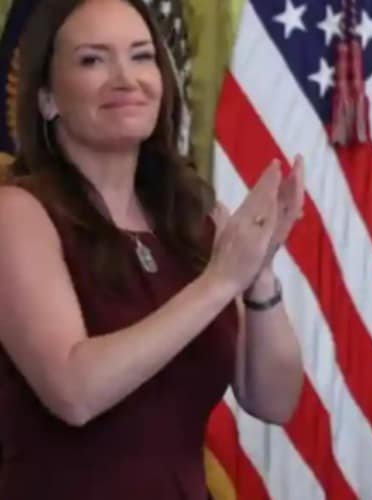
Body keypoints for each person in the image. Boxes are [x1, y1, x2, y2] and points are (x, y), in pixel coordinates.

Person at [0, 0, 305, 498]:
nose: (126, 79)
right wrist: (220, 281)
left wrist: (260, 275)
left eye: (142, 56)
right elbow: (74, 393)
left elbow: (274, 401)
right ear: (48, 98)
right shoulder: (17, 212)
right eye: (93, 60)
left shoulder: (193, 218)